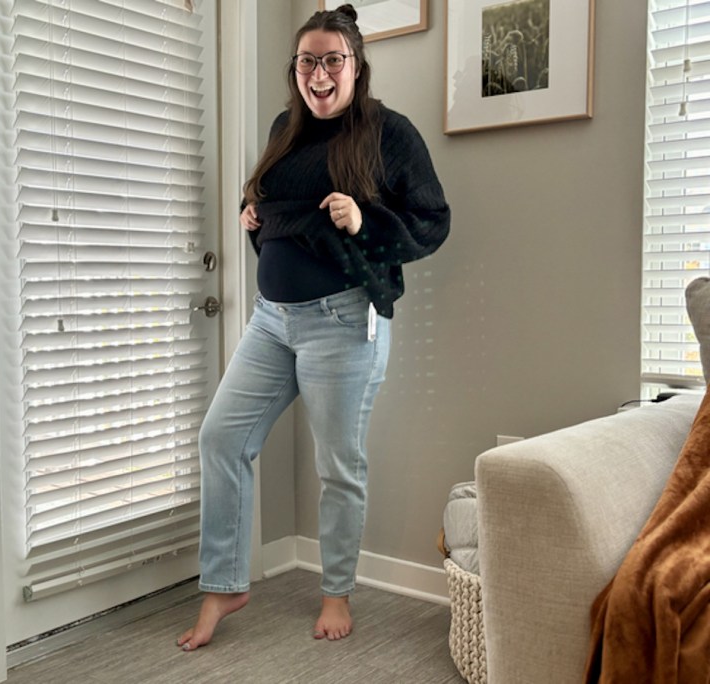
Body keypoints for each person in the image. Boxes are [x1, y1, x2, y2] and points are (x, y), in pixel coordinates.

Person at [177, 3, 450, 651]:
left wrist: (365, 219)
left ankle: (336, 591)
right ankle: (225, 584)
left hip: (343, 321)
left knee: (338, 466)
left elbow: (432, 223)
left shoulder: (389, 132)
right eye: (308, 61)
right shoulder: (285, 128)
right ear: (295, 69)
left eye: (333, 60)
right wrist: (252, 219)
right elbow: (283, 217)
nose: (319, 73)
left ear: (356, 66)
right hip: (272, 322)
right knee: (221, 438)